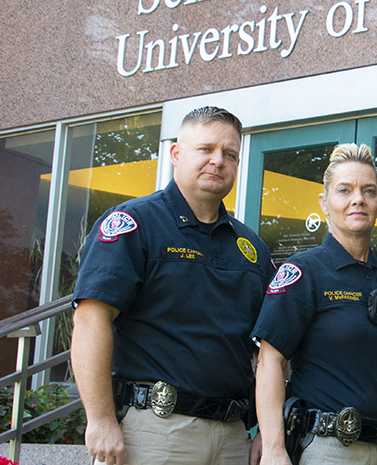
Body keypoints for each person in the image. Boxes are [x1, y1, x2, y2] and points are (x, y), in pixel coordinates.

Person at [70, 106, 276, 465]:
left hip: (231, 437)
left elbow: (271, 350)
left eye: (230, 154)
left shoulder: (252, 248)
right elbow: (90, 320)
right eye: (206, 149)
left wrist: (266, 432)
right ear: (176, 154)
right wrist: (100, 419)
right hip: (154, 432)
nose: (218, 161)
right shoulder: (134, 224)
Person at [253, 144, 377, 465]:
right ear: (324, 202)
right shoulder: (303, 273)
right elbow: (270, 361)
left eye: (369, 191)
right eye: (344, 190)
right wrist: (273, 447)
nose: (358, 199)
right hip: (326, 449)